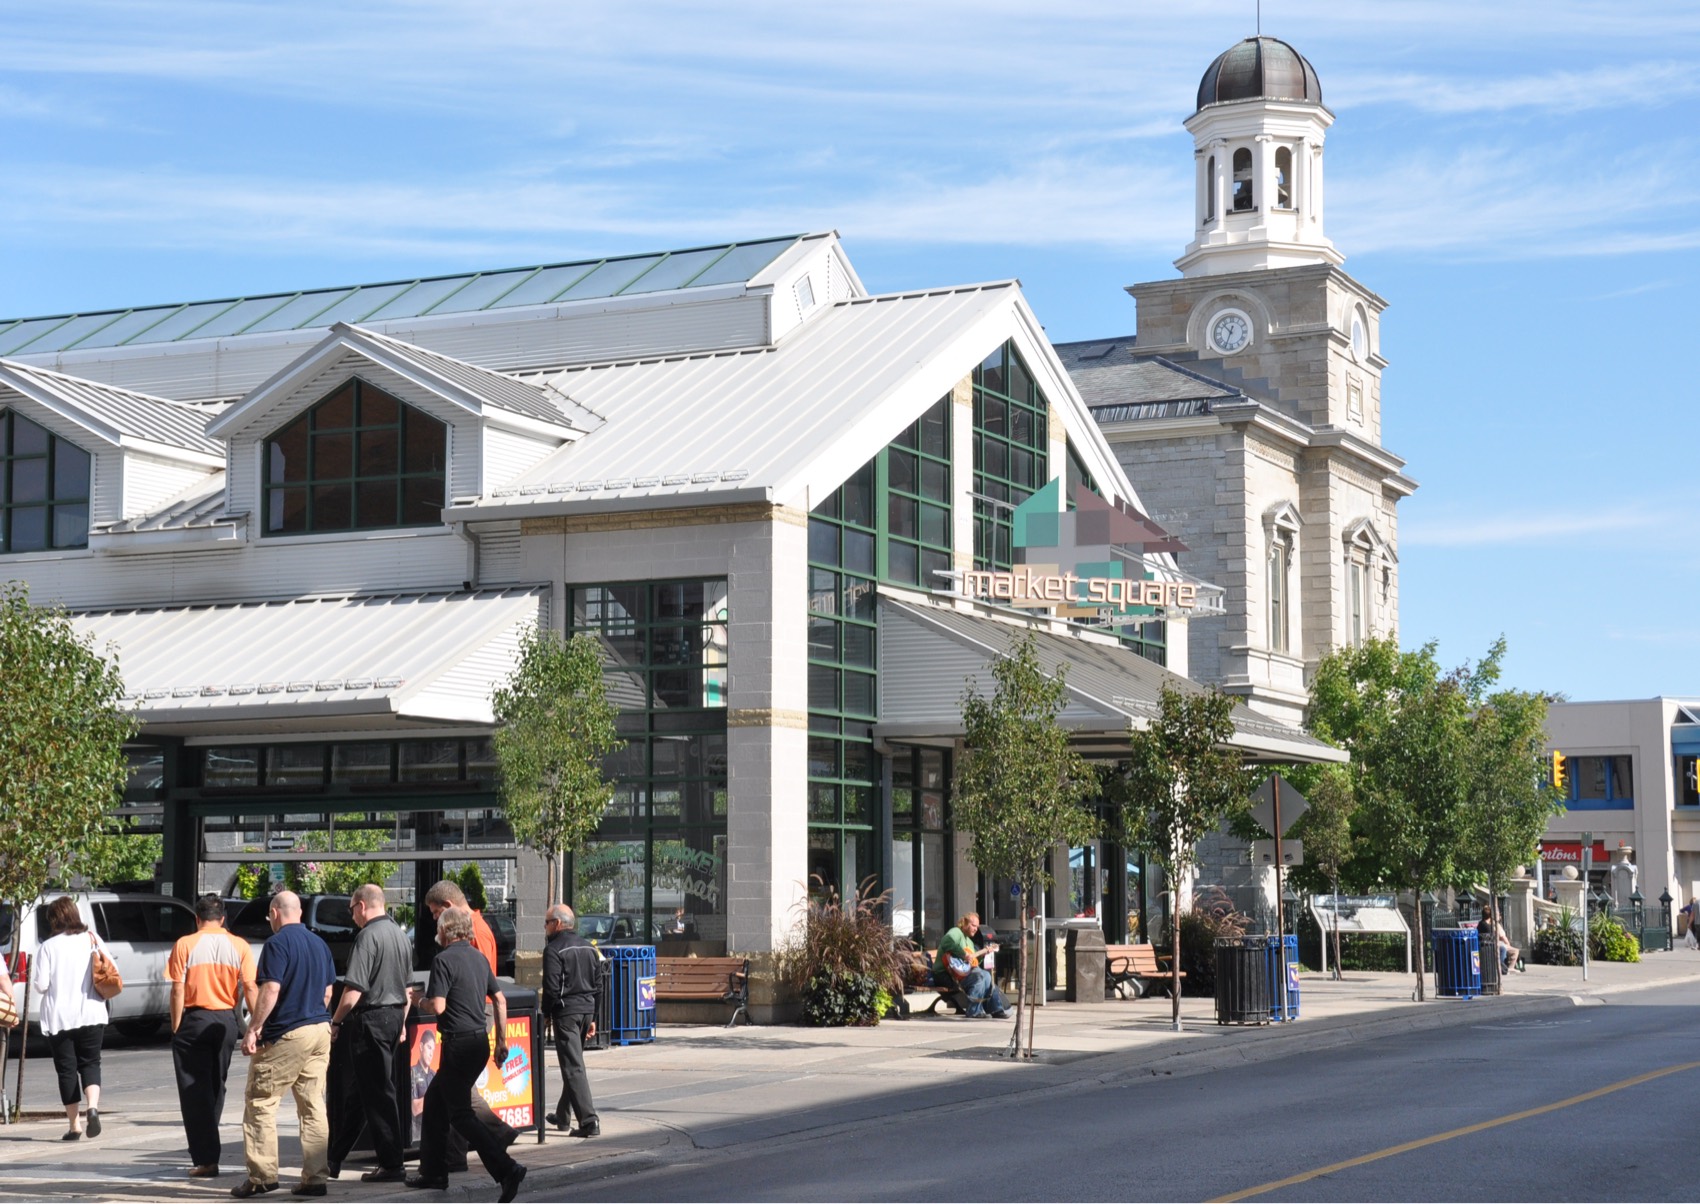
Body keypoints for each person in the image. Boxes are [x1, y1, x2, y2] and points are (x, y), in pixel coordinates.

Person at [407, 907, 527, 1203]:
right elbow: (499, 1000)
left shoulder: (443, 960)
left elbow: (438, 1007)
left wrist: (417, 1000)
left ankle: (507, 1169)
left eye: (438, 926)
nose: (436, 930)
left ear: (446, 930)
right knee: (435, 1103)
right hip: (478, 1042)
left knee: (460, 1113)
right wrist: (501, 1042)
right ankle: (434, 1172)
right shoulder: (478, 958)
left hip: (458, 1045)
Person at [234, 890, 336, 1200]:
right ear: (300, 913)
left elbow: (271, 989)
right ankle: (316, 1177)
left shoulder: (277, 944)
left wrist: (254, 1028)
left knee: (261, 1101)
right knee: (313, 1103)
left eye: (269, 916)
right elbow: (329, 991)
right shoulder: (319, 943)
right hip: (320, 1028)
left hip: (288, 1032)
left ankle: (263, 1176)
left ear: (276, 913)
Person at [422, 880, 518, 1165]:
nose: (434, 921)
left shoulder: (475, 937)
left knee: (459, 1095)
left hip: (469, 1022)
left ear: (448, 909)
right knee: (449, 1095)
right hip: (474, 1023)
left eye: (435, 913)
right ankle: (448, 1160)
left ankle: (496, 1138)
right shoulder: (473, 937)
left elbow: (474, 986)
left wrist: (422, 1001)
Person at [168, 894, 259, 1178]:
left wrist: (176, 1025)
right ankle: (209, 1137)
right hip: (225, 1021)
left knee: (193, 1091)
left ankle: (206, 1158)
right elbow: (251, 987)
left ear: (197, 919)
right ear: (223, 919)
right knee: (215, 1084)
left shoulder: (185, 944)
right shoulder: (239, 945)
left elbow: (177, 990)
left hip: (195, 1018)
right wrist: (256, 1025)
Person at [326, 884, 412, 1183]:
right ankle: (335, 1157)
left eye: (352, 909)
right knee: (361, 1094)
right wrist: (401, 1022)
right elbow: (408, 990)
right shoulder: (400, 935)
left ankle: (392, 1164)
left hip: (371, 1020)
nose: (352, 917)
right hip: (391, 1018)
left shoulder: (368, 936)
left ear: (362, 905)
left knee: (377, 1094)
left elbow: (353, 991)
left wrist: (335, 1022)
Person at [30, 896, 109, 1141]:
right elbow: (109, 966)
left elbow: (41, 985)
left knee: (66, 1070)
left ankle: (74, 1125)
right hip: (92, 1011)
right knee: (91, 1063)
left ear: (54, 920)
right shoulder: (92, 939)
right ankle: (92, 1107)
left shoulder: (48, 947)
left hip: (60, 1017)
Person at [541, 904, 602, 1137]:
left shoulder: (554, 949)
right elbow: (599, 986)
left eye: (547, 923)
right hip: (586, 1010)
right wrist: (593, 1017)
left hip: (567, 1012)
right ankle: (563, 1116)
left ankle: (589, 1121)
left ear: (557, 923)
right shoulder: (589, 948)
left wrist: (546, 1014)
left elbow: (551, 988)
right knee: (573, 1064)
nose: (545, 927)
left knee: (573, 1066)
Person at [933, 912, 1010, 1020]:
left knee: (986, 976)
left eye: (977, 927)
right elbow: (946, 942)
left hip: (958, 973)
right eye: (973, 926)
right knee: (979, 977)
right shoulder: (956, 932)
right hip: (944, 974)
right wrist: (964, 954)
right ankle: (973, 1011)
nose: (976, 929)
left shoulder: (969, 941)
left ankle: (995, 1009)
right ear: (964, 923)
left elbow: (972, 964)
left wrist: (982, 955)